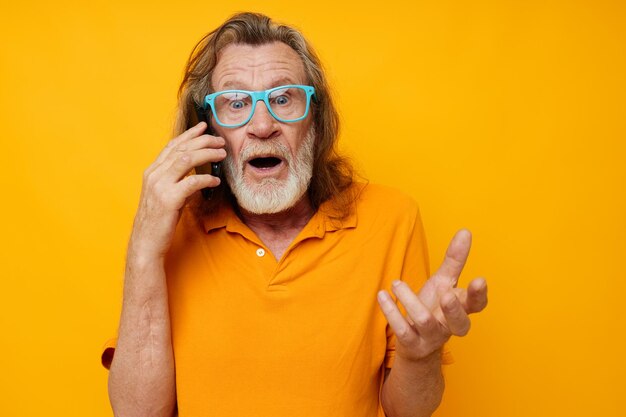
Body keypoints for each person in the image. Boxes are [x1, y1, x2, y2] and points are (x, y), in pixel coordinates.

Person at [102, 12, 488, 417]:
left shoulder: (392, 218)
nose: (263, 125)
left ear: (315, 122)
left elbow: (407, 412)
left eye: (283, 98)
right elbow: (138, 413)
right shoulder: (171, 227)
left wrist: (419, 355)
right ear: (208, 128)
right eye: (236, 103)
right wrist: (144, 251)